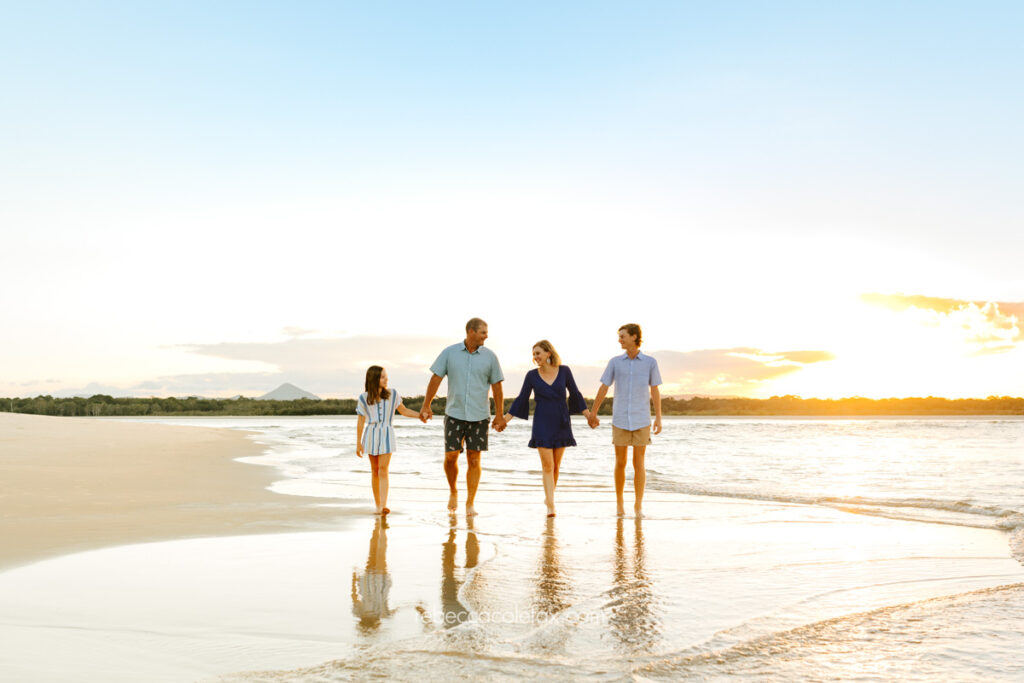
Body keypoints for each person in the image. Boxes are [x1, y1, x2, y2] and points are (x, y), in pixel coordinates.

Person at [420, 318, 505, 516]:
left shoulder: (490, 357)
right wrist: (426, 405)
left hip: (480, 415)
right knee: (450, 457)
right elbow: (436, 378)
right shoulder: (449, 353)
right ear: (470, 332)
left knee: (474, 459)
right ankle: (453, 491)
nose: (486, 336)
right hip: (454, 414)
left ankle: (470, 503)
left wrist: (499, 415)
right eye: (483, 332)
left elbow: (497, 386)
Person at [503, 340, 592, 517]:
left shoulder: (565, 371)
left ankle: (549, 496)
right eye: (534, 354)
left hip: (561, 420)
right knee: (547, 465)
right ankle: (551, 504)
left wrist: (589, 416)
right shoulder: (531, 375)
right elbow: (522, 399)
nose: (535, 357)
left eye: (538, 353)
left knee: (556, 466)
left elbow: (575, 394)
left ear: (548, 353)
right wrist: (505, 420)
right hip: (542, 421)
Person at [587, 323, 663, 518]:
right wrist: (593, 413)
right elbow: (604, 387)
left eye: (622, 336)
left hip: (641, 419)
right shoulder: (614, 362)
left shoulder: (650, 362)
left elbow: (655, 390)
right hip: (620, 418)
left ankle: (638, 505)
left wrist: (658, 418)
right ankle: (620, 504)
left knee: (639, 463)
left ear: (634, 337)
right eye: (619, 336)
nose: (619, 339)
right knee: (620, 462)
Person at [356, 365, 421, 515]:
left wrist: (420, 415)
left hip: (387, 433)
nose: (386, 379)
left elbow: (403, 410)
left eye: (386, 376)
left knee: (383, 470)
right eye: (383, 377)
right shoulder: (363, 398)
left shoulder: (393, 394)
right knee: (375, 470)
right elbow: (360, 421)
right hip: (371, 433)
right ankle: (378, 505)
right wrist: (358, 443)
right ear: (374, 379)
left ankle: (384, 505)